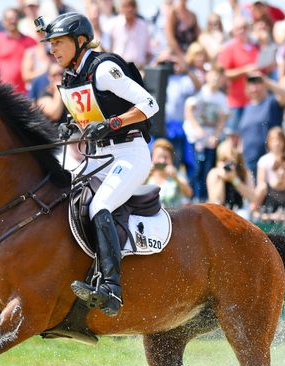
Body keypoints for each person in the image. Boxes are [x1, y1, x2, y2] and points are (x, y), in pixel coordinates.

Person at [39, 12, 159, 317]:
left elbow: (149, 105)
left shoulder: (103, 68)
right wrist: (70, 125)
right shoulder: (70, 75)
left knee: (98, 206)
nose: (52, 49)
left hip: (129, 153)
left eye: (58, 42)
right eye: (50, 43)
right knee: (64, 199)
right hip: (100, 156)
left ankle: (111, 289)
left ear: (80, 41)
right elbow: (85, 113)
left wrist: (112, 123)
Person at [183, 67, 229, 201]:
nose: (215, 79)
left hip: (210, 139)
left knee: (207, 168)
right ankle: (191, 196)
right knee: (194, 167)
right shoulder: (199, 93)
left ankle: (202, 197)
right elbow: (189, 111)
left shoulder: (221, 98)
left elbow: (222, 119)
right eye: (214, 75)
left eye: (219, 76)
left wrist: (215, 135)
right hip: (195, 138)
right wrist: (197, 129)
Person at [0, 8, 36, 94]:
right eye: (9, 19)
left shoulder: (30, 41)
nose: (12, 21)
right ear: (3, 22)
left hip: (26, 92)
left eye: (15, 18)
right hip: (3, 92)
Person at [206, 140, 255, 210]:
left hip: (240, 213)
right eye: (224, 160)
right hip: (220, 212)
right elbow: (216, 202)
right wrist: (221, 180)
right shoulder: (214, 173)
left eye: (230, 161)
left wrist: (234, 180)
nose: (227, 164)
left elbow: (253, 198)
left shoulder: (244, 172)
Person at [146, 138, 192, 209]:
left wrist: (175, 177)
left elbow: (189, 193)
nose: (162, 161)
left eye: (166, 157)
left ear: (172, 159)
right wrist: (146, 175)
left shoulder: (177, 174)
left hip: (173, 217)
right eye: (159, 157)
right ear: (152, 158)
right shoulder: (146, 175)